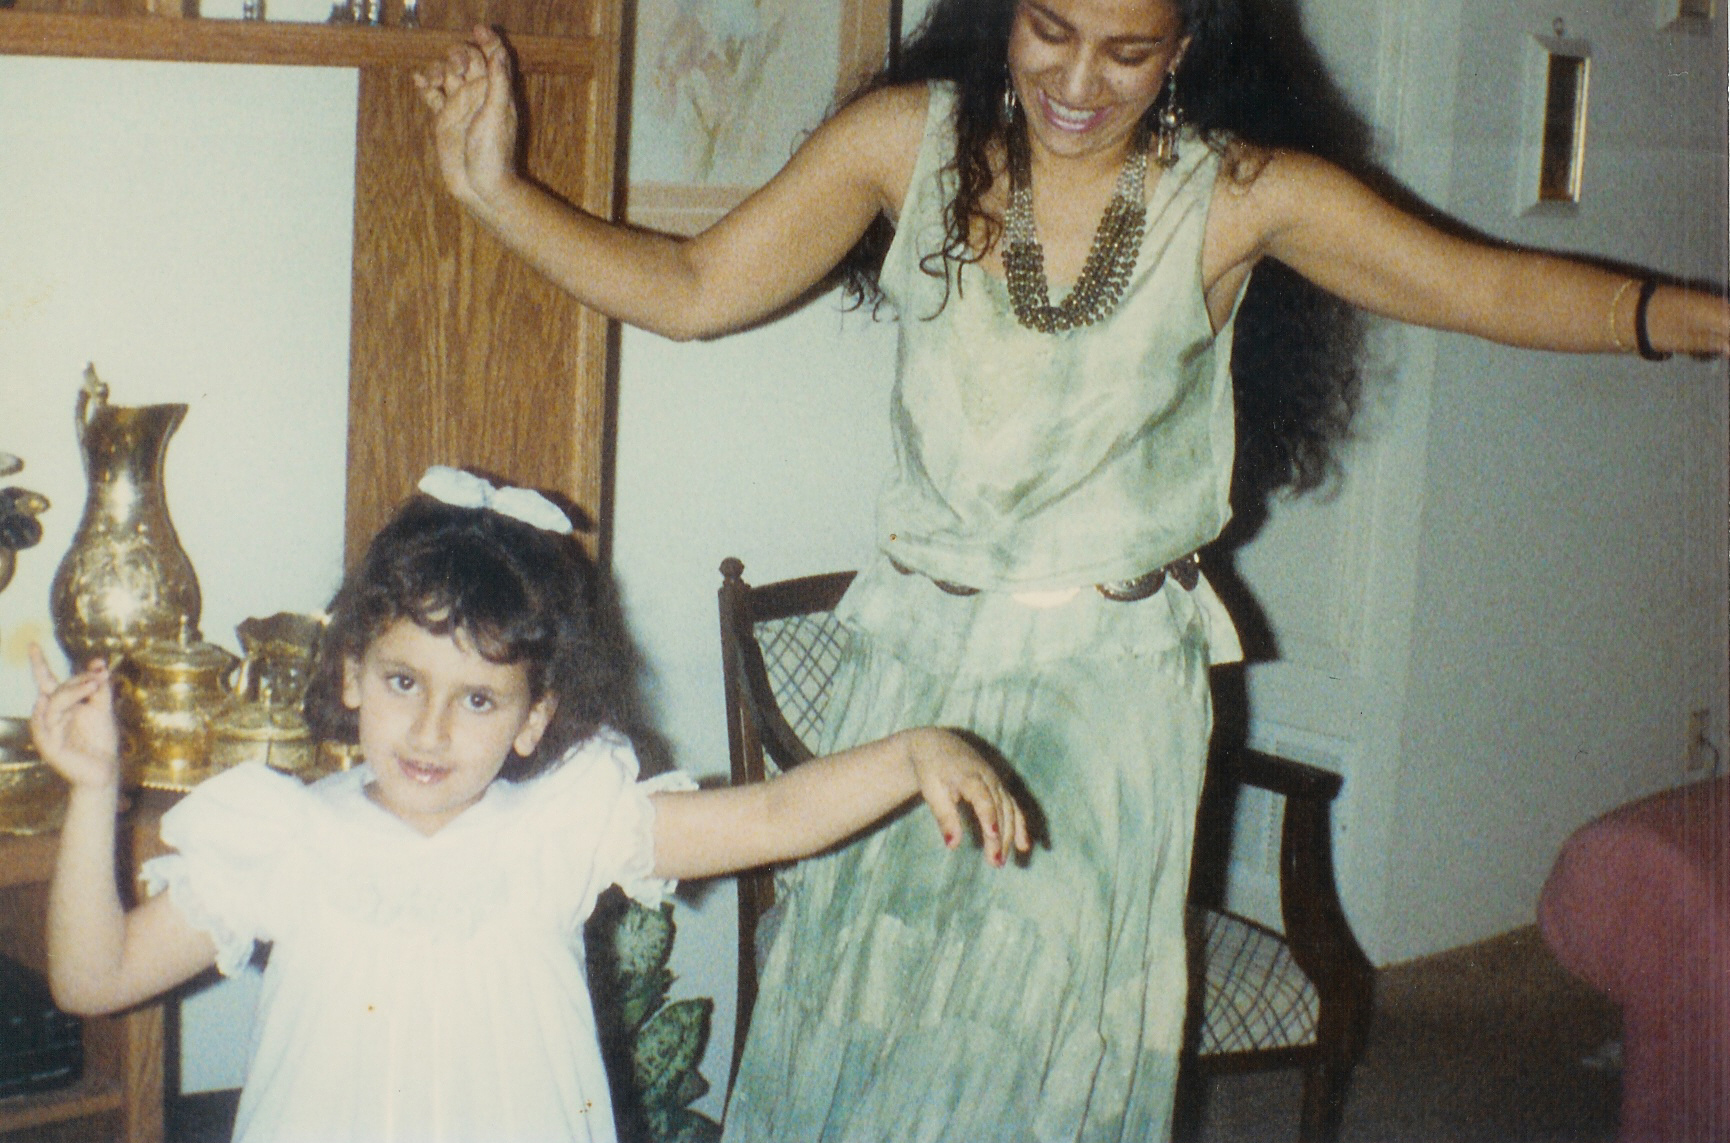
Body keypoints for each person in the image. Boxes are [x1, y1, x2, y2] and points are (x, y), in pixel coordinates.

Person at [417, 0, 1730, 1138]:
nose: (1078, 80)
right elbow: (694, 284)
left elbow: (1484, 288)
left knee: (1042, 1050)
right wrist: (496, 193)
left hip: (1106, 697)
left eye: (1127, 49)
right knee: (861, 1014)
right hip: (914, 667)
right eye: (1049, 30)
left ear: (1188, 45)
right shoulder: (902, 141)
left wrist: (1699, 320)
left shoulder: (1237, 191)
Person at [28, 465, 1031, 1143]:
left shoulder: (565, 823)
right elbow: (92, 976)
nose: (430, 730)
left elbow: (770, 818)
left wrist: (911, 754)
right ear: (350, 674)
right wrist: (92, 791)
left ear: (532, 718)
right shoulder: (282, 835)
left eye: (477, 700)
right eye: (404, 682)